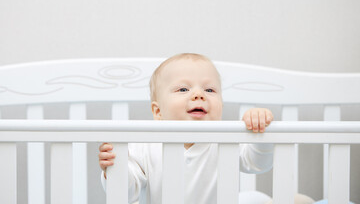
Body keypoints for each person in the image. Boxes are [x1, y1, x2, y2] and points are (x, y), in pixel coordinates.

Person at [99, 53, 275, 204]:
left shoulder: (226, 141)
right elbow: (127, 193)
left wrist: (259, 131)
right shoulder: (144, 146)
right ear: (158, 111)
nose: (199, 94)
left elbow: (258, 163)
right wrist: (115, 168)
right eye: (183, 89)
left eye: (210, 90)